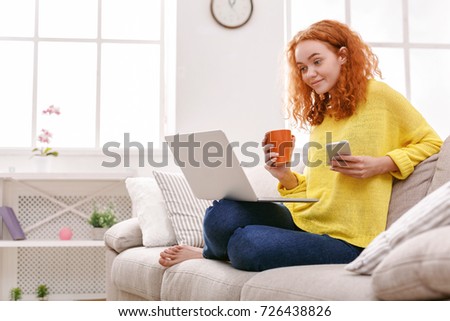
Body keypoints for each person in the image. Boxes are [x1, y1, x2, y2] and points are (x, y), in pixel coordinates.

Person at [159, 20, 442, 271]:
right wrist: (284, 175)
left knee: (246, 244)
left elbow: (433, 143)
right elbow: (318, 190)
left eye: (317, 62)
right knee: (221, 213)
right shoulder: (323, 114)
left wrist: (381, 164)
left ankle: (213, 253)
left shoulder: (380, 96)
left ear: (343, 56)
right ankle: (210, 252)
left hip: (348, 240)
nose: (309, 74)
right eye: (303, 68)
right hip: (305, 221)